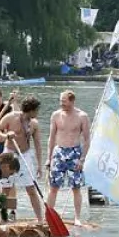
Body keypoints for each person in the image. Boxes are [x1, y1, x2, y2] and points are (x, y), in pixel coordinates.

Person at [0, 95, 44, 223]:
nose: (37, 112)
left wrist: (39, 165)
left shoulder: (34, 123)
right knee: (5, 189)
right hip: (9, 154)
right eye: (36, 110)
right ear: (31, 110)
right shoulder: (11, 117)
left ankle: (40, 220)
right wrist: (6, 135)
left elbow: (38, 145)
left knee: (31, 189)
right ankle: (1, 218)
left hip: (25, 155)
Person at [45, 90, 90, 226]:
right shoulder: (56, 115)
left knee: (76, 187)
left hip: (74, 152)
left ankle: (77, 217)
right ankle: (49, 215)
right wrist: (49, 158)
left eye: (64, 101)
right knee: (53, 186)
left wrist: (82, 159)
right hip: (59, 152)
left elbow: (87, 140)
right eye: (60, 101)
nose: (61, 104)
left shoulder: (82, 116)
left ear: (71, 101)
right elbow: (51, 137)